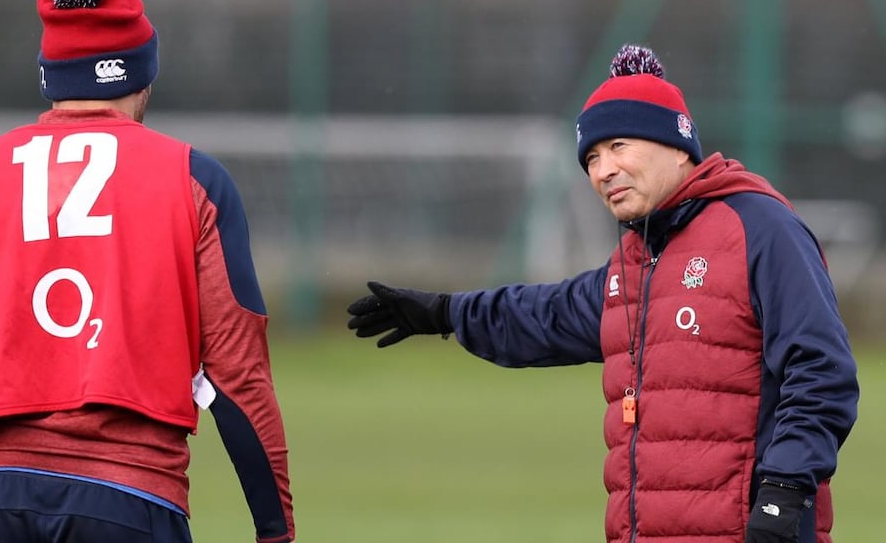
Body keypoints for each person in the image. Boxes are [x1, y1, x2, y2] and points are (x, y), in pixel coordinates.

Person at [347, 44, 859, 543]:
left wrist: (783, 490)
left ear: (678, 146)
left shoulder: (760, 227)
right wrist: (445, 313)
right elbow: (543, 315)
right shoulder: (633, 261)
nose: (602, 170)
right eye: (590, 156)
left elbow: (821, 369)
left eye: (618, 146)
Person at [0, 0, 294, 542]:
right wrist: (276, 531)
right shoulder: (196, 181)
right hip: (134, 497)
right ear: (144, 75)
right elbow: (238, 379)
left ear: (50, 75)